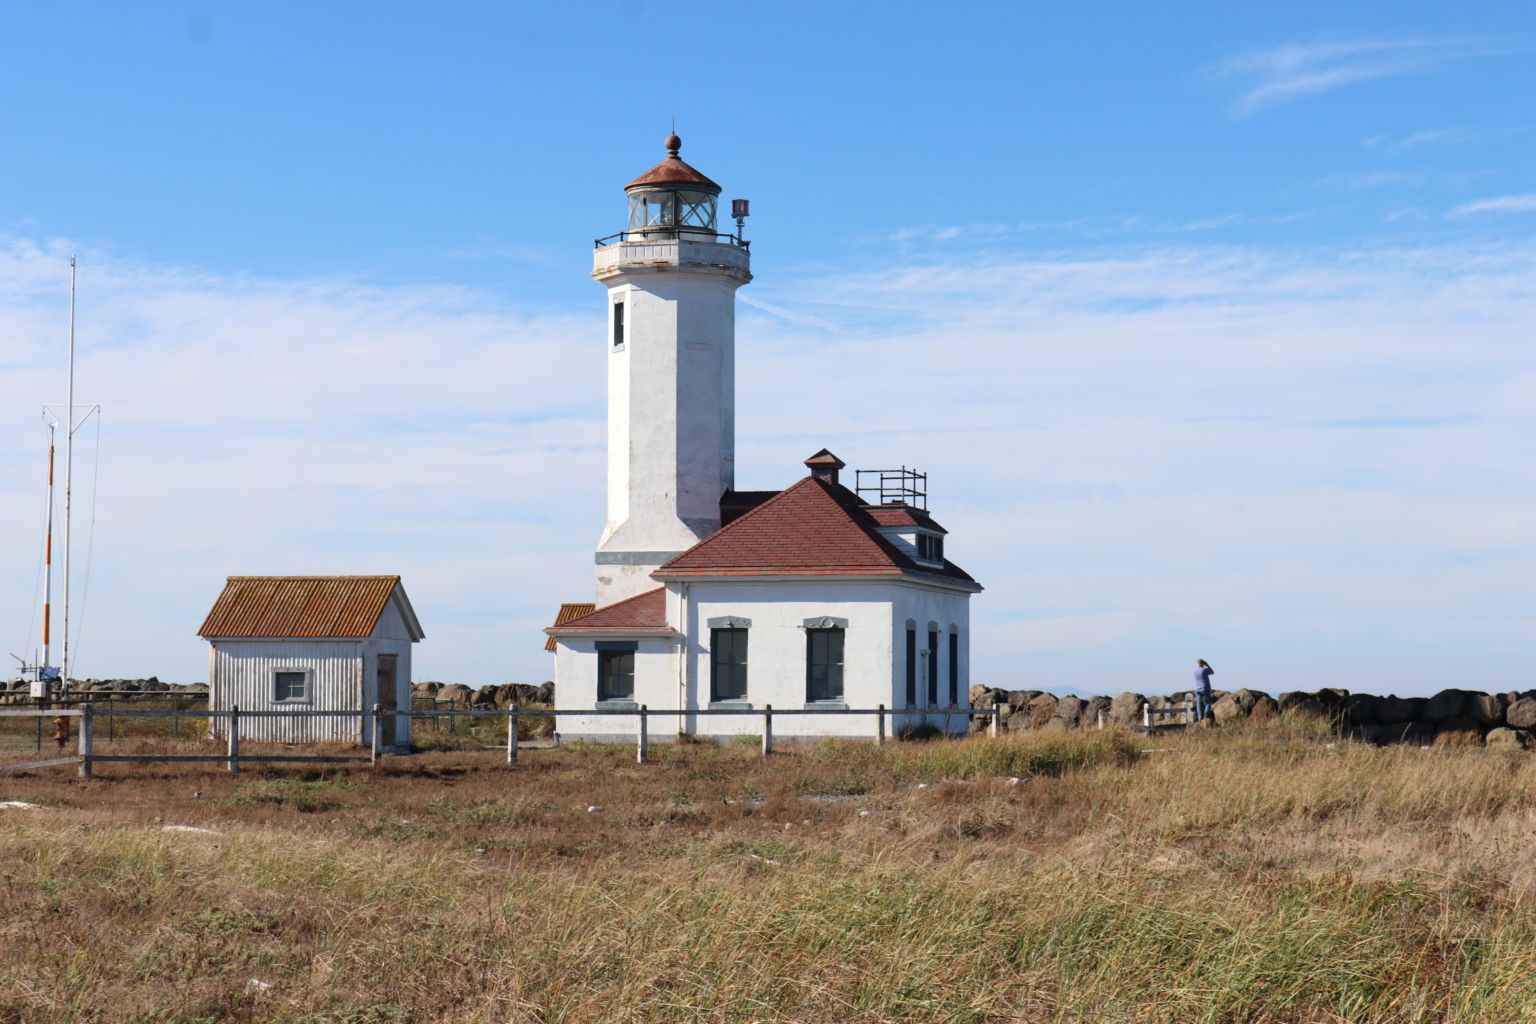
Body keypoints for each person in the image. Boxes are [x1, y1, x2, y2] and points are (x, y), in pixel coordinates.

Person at [1192, 659, 1215, 723]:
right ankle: (1206, 716)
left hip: (1197, 688)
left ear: (1197, 663)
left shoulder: (1194, 670)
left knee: (1199, 703)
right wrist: (1207, 665)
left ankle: (1200, 717)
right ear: (1203, 663)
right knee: (1208, 702)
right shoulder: (1204, 669)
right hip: (1205, 688)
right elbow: (1212, 672)